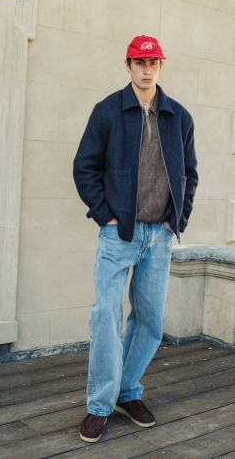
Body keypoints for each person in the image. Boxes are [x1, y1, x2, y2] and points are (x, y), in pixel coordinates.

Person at [73, 35, 198, 443]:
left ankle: (126, 392)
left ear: (161, 66)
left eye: (153, 63)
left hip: (159, 236)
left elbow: (190, 174)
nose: (146, 69)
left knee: (149, 321)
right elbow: (84, 167)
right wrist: (106, 216)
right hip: (119, 234)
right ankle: (99, 406)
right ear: (127, 65)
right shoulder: (108, 111)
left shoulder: (179, 117)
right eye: (139, 62)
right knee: (105, 316)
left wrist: (176, 219)